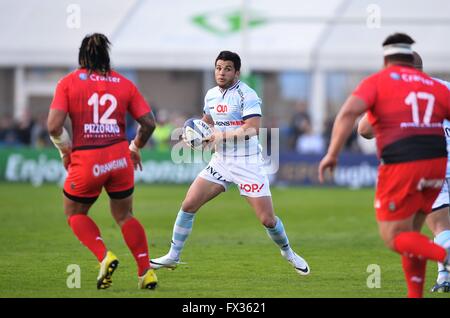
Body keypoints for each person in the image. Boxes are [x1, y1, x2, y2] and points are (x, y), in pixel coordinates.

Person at [150, 51, 310, 276]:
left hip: (248, 163)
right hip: (222, 161)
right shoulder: (211, 95)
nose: (221, 72)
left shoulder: (247, 94)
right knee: (188, 204)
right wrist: (196, 137)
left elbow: (252, 128)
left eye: (227, 68)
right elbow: (207, 122)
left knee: (267, 219)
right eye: (218, 68)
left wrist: (219, 136)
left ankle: (287, 251)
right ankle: (173, 255)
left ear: (236, 72)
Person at [318, 33, 450, 298]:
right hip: (438, 167)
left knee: (394, 236)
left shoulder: (383, 83)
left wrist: (332, 154)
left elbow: (361, 126)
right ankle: (416, 292)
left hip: (405, 166)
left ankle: (445, 258)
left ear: (389, 60)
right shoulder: (440, 86)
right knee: (415, 231)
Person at [47, 33, 158, 290]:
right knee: (124, 215)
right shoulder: (124, 83)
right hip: (119, 158)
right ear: (107, 56)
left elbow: (53, 126)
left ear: (81, 57)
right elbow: (149, 123)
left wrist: (65, 150)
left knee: (75, 213)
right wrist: (135, 146)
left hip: (86, 159)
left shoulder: (68, 83)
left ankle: (104, 255)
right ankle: (146, 272)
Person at [358, 51, 450, 293]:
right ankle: (443, 278)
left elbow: (364, 129)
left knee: (427, 229)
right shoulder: (444, 88)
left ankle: (443, 267)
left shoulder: (396, 93)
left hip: (424, 165)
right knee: (441, 228)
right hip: (440, 162)